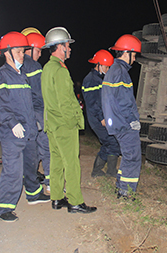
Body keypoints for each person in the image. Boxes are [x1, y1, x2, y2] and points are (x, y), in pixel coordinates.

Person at [0, 31, 50, 222]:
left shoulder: (22, 74)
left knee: (31, 166)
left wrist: (35, 121)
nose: (22, 56)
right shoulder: (0, 75)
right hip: (12, 133)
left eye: (23, 52)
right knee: (13, 170)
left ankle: (34, 194)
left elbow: (29, 102)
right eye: (18, 52)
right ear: (7, 53)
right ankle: (4, 208)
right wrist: (13, 123)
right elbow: (1, 105)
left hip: (29, 130)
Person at [41, 26, 97, 213]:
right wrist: (74, 121)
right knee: (72, 163)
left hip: (52, 124)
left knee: (56, 161)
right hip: (64, 125)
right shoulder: (60, 70)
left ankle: (57, 198)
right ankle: (75, 201)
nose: (70, 49)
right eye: (68, 45)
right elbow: (65, 101)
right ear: (60, 47)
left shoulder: (47, 68)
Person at [101, 34, 141, 199]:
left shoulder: (112, 70)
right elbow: (124, 102)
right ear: (127, 53)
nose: (135, 58)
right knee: (132, 157)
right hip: (124, 124)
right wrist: (132, 121)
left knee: (127, 156)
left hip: (117, 123)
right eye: (134, 54)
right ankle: (126, 192)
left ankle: (121, 187)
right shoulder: (121, 72)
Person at [20, 28, 50, 193]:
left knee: (31, 151)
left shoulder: (16, 66)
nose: (40, 54)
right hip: (38, 113)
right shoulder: (34, 65)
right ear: (29, 49)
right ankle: (51, 183)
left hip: (24, 115)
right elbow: (40, 94)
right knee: (46, 149)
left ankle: (30, 180)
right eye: (38, 50)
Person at [82, 49, 120, 178]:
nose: (108, 69)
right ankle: (104, 171)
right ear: (98, 64)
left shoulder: (98, 79)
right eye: (106, 67)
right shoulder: (91, 80)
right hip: (97, 119)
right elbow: (93, 103)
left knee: (110, 142)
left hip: (101, 117)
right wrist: (102, 118)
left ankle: (104, 170)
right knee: (112, 142)